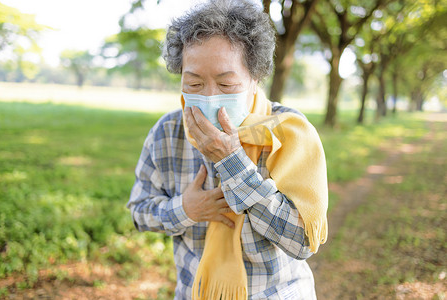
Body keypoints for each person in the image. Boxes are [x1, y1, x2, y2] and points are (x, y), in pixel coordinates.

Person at [126, 0, 329, 299]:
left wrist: (232, 162)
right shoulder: (167, 133)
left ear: (255, 78)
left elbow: (301, 241)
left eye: (226, 84)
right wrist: (186, 209)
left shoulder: (290, 134)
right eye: (194, 83)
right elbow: (139, 212)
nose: (209, 97)